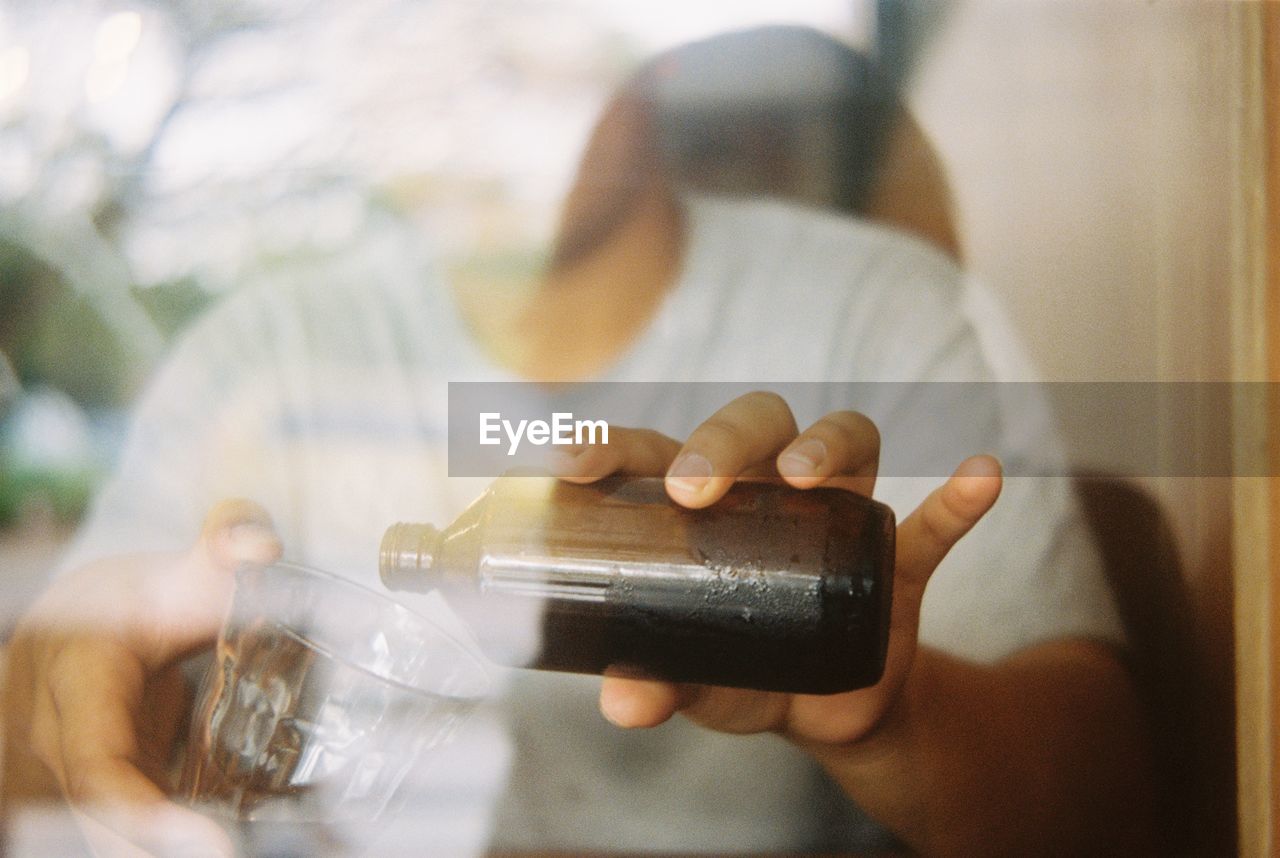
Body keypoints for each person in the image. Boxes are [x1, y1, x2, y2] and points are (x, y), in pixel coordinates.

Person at [2, 25, 1154, 857]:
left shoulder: (876, 310)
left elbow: (1115, 803)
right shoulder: (264, 357)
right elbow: (37, 754)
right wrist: (83, 692)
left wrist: (896, 719)